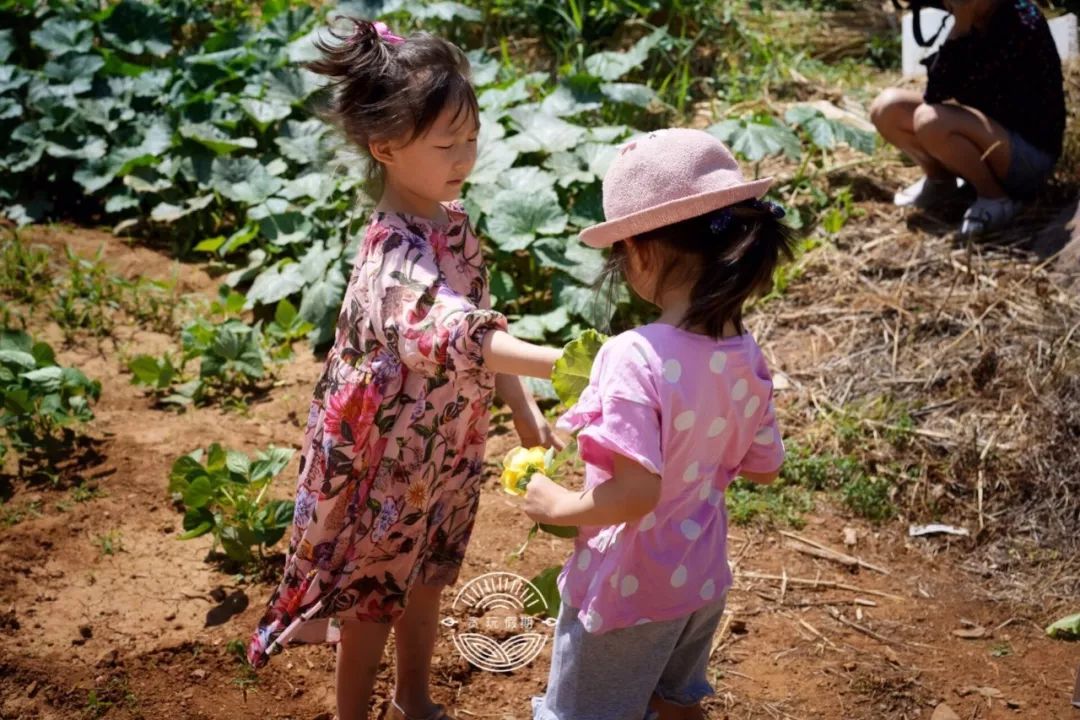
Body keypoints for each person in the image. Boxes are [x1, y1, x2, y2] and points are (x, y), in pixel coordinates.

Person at [245, 19, 563, 720]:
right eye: (447, 144)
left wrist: (521, 408)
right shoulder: (393, 252)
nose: (465, 157)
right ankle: (351, 713)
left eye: (472, 138)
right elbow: (456, 334)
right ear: (384, 147)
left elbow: (482, 315)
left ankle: (414, 696)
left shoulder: (453, 223)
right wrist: (562, 365)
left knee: (429, 576)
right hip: (384, 459)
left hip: (447, 446)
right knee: (373, 595)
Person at [520, 129, 794, 720]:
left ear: (640, 253)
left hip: (630, 588)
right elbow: (766, 469)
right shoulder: (746, 353)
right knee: (673, 698)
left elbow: (636, 492)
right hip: (700, 581)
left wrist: (557, 504)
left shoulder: (632, 355)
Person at [870, 0, 1065, 235]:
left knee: (931, 121)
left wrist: (960, 27)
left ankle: (995, 198)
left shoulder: (1021, 22)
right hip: (989, 136)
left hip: (1028, 158)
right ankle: (941, 183)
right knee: (887, 108)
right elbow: (936, 93)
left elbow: (941, 94)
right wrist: (960, 24)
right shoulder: (975, 17)